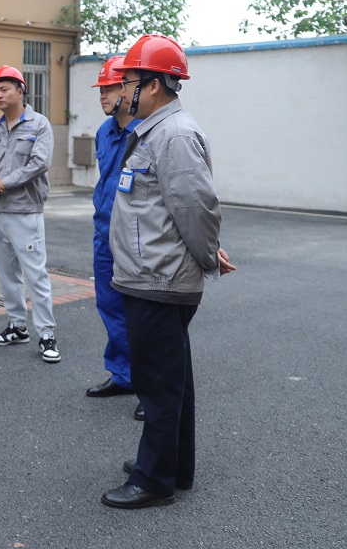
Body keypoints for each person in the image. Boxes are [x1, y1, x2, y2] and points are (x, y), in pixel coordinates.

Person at [100, 34, 236, 510]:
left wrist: (208, 254)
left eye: (129, 81)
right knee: (172, 377)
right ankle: (173, 466)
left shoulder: (173, 134)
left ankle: (154, 479)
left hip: (158, 278)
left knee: (157, 381)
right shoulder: (156, 130)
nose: (122, 90)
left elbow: (197, 207)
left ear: (154, 86)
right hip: (151, 273)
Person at [0, 66, 60, 363]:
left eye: (4, 89)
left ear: (20, 91)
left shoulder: (39, 125)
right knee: (6, 273)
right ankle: (17, 326)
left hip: (26, 211)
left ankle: (46, 334)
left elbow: (40, 163)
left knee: (35, 274)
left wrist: (5, 182)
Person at [86, 56, 144, 419]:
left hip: (136, 237)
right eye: (101, 90)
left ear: (127, 89)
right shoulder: (103, 132)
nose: (103, 96)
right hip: (104, 233)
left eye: (109, 88)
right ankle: (124, 376)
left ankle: (151, 386)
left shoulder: (147, 133)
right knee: (109, 306)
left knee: (142, 314)